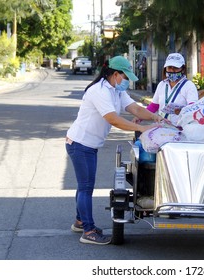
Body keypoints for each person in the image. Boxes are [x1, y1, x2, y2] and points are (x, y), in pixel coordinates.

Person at [66, 56, 163, 245]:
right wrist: (141, 128)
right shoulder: (99, 91)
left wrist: (154, 117)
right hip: (80, 143)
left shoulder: (116, 92)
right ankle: (88, 231)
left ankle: (80, 221)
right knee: (86, 187)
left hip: (89, 144)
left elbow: (135, 108)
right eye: (125, 77)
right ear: (115, 74)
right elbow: (113, 119)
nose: (127, 81)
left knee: (85, 185)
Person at [134, 53, 198, 126]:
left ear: (183, 69)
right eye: (169, 67)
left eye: (176, 68)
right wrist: (140, 117)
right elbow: (154, 106)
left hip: (180, 129)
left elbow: (193, 109)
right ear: (165, 69)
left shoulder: (189, 86)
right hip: (162, 127)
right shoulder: (162, 84)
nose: (172, 70)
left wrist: (181, 111)